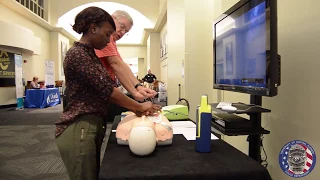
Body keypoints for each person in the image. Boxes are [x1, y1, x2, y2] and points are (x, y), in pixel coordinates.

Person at [55, 7, 161, 180]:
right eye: (107, 34)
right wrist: (138, 106)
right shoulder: (78, 55)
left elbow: (116, 68)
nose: (109, 40)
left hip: (90, 123)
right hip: (79, 126)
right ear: (93, 28)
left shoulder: (89, 54)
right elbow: (108, 90)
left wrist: (136, 90)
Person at [94, 10, 157, 122]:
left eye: (125, 31)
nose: (122, 32)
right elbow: (116, 65)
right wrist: (135, 93)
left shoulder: (111, 41)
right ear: (111, 19)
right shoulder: (105, 39)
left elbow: (122, 66)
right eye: (121, 26)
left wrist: (138, 86)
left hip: (104, 92)